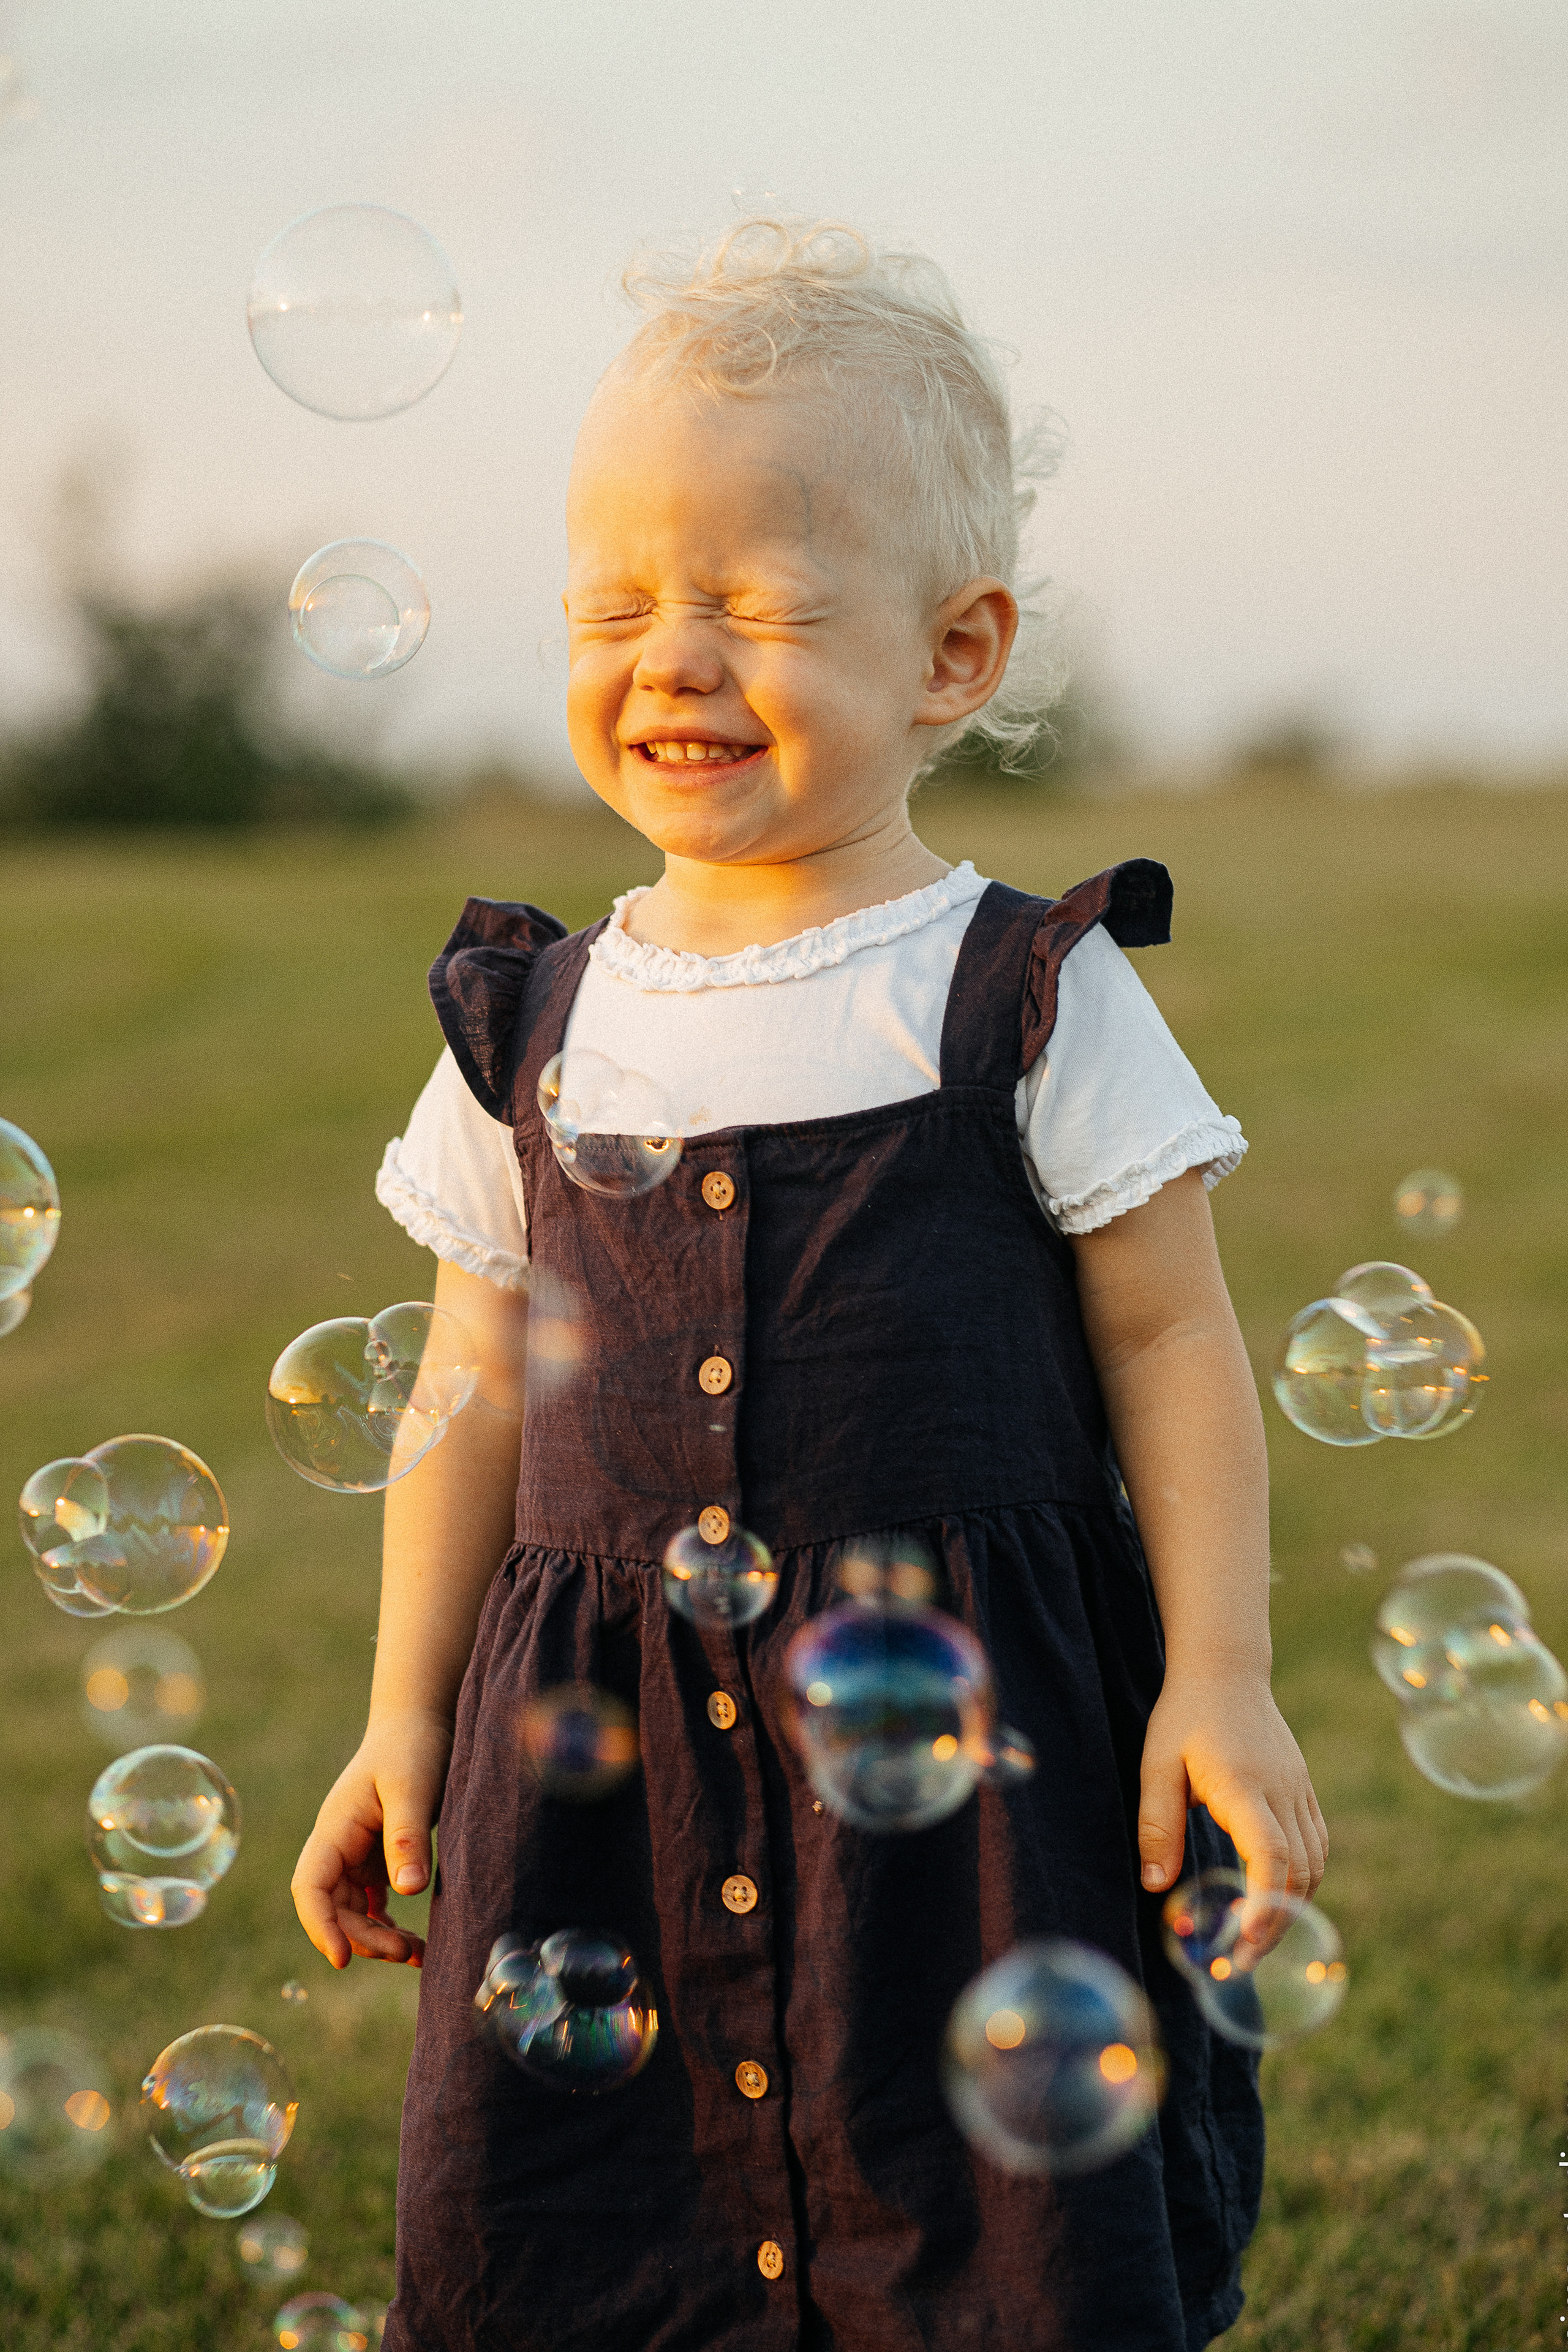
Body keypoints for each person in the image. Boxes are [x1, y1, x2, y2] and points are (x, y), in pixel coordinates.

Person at [292, 218, 1327, 2352]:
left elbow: (1169, 1334)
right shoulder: (540, 1019)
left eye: (751, 605)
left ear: (953, 656)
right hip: (606, 1787)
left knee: (988, 2230)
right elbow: (464, 1391)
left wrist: (1215, 1670)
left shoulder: (1025, 993)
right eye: (612, 606)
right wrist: (400, 1719)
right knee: (598, 2233)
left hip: (981, 1796)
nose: (667, 658)